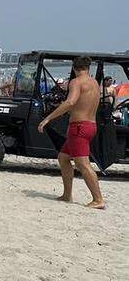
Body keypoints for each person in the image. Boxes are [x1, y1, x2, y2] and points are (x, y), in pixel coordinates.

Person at [38, 56, 105, 209]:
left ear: (74, 68)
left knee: (83, 164)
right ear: (88, 68)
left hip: (79, 127)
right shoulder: (94, 83)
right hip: (90, 125)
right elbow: (82, 103)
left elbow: (70, 102)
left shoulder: (76, 82)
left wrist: (48, 118)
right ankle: (67, 194)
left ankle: (98, 199)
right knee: (63, 157)